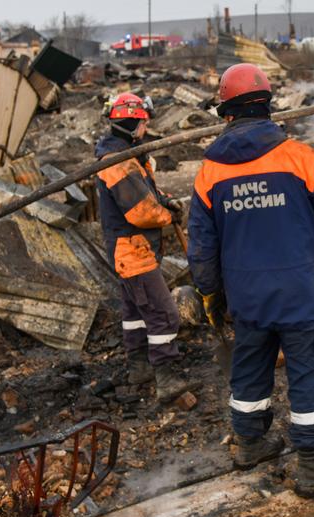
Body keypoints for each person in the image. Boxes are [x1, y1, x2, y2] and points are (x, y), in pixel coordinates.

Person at [188, 63, 314, 498]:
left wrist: (210, 293)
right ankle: (311, 467)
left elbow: (201, 246)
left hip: (247, 296)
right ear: (268, 107)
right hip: (299, 292)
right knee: (307, 374)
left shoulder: (209, 171)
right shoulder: (301, 157)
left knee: (249, 370)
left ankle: (250, 445)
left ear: (226, 113)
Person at [94, 93, 197, 403]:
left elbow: (148, 193)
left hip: (129, 249)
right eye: (144, 122)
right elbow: (142, 212)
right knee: (164, 314)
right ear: (134, 123)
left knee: (135, 311)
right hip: (133, 250)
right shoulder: (117, 162)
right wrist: (170, 214)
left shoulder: (126, 155)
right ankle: (166, 377)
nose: (147, 127)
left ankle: (139, 367)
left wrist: (165, 201)